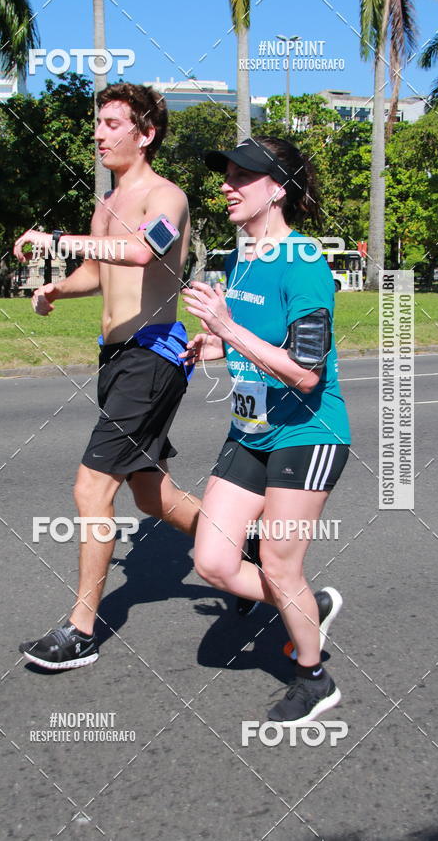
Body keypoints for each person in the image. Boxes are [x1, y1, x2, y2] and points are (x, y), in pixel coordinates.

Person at [12, 83, 204, 669]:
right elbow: (98, 268)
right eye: (97, 122)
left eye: (112, 123)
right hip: (117, 360)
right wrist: (57, 285)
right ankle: (244, 543)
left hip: (152, 355)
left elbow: (146, 253)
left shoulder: (164, 197)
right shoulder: (107, 203)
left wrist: (52, 240)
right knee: (152, 495)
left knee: (91, 488)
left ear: (144, 134)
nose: (99, 133)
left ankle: (81, 631)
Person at [182, 136, 351, 725]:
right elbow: (249, 339)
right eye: (225, 174)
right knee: (213, 562)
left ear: (277, 189)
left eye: (242, 177)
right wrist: (205, 343)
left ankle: (314, 675)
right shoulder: (241, 256)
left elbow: (305, 372)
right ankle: (309, 603)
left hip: (309, 432)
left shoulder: (306, 264)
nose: (227, 185)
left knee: (279, 564)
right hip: (251, 429)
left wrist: (225, 324)